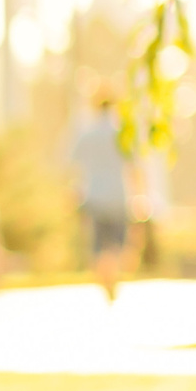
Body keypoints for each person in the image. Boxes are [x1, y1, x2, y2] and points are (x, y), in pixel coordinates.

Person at [69, 86, 134, 301]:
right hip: (118, 196)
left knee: (98, 246)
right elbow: (134, 164)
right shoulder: (121, 133)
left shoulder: (88, 133)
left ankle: (106, 280)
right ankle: (111, 279)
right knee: (116, 244)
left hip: (95, 196)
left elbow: (71, 160)